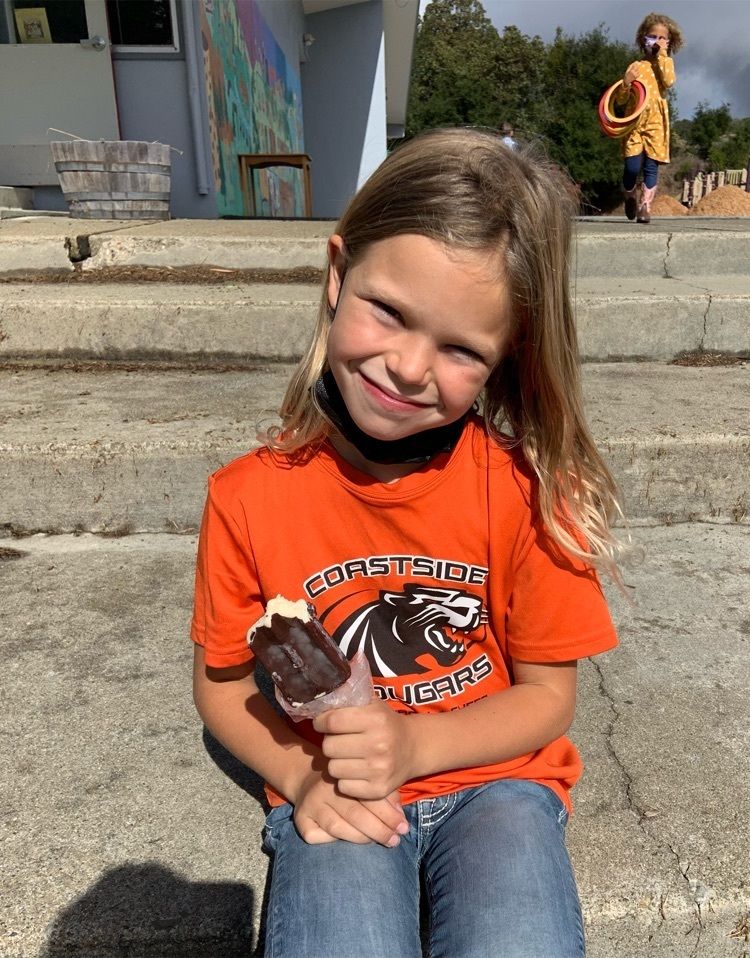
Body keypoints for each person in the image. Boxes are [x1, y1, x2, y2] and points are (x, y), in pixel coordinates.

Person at [191, 127, 624, 958]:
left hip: (498, 787)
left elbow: (548, 699)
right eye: (388, 311)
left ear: (506, 360)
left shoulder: (530, 492)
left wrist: (416, 742)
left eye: (462, 349)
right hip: (338, 788)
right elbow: (220, 690)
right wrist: (297, 775)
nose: (410, 367)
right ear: (335, 273)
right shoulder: (245, 498)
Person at [618, 12, 684, 223]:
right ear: (643, 39)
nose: (656, 41)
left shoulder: (666, 64)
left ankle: (645, 206)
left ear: (669, 41)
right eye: (652, 37)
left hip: (656, 123)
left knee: (651, 166)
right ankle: (629, 195)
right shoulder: (636, 66)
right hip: (634, 123)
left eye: (661, 38)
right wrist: (626, 83)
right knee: (632, 167)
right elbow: (620, 100)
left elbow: (669, 81)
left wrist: (663, 55)